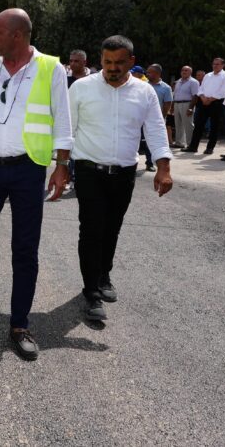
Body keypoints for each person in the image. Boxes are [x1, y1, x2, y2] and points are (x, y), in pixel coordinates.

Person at [0, 8, 72, 362]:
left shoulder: (51, 68)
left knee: (25, 249)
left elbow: (63, 119)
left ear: (17, 35)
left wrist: (62, 165)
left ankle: (19, 324)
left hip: (28, 168)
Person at [68, 35, 173, 322]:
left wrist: (163, 168)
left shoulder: (145, 92)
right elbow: (68, 129)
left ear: (131, 62)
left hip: (124, 174)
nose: (112, 68)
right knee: (91, 230)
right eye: (107, 62)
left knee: (111, 228)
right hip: (89, 170)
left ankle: (104, 275)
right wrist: (62, 165)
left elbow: (155, 128)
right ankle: (91, 292)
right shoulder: (81, 88)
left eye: (118, 63)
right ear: (100, 60)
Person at [184, 58, 225, 155]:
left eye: (217, 64)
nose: (215, 66)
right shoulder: (208, 75)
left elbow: (223, 91)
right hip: (203, 101)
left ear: (223, 65)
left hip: (216, 102)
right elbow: (201, 88)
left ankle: (210, 148)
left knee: (214, 126)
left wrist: (211, 99)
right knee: (198, 125)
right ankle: (193, 146)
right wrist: (203, 97)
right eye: (213, 64)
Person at [144, 64, 172, 172]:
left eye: (150, 72)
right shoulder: (143, 85)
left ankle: (150, 163)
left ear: (157, 73)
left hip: (155, 120)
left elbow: (167, 104)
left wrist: (162, 118)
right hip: (141, 118)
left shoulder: (166, 88)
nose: (147, 74)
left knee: (150, 141)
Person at [172, 65, 199, 149]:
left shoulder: (193, 82)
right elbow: (175, 94)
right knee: (178, 124)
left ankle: (191, 144)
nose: (184, 72)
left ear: (190, 72)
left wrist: (191, 108)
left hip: (187, 104)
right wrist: (172, 106)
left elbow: (195, 95)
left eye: (186, 70)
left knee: (188, 125)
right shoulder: (178, 82)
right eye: (182, 70)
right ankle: (179, 143)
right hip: (177, 104)